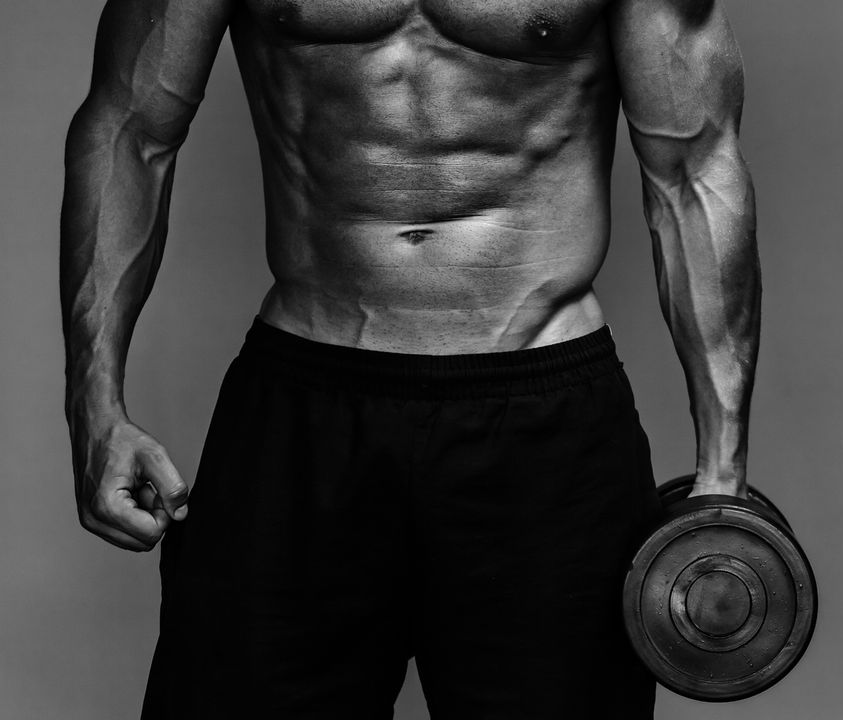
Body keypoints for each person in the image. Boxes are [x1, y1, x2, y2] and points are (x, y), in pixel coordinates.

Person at [60, 0, 760, 717]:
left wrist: (723, 470)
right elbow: (130, 130)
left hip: (546, 425)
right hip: (305, 411)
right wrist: (94, 408)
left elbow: (692, 172)